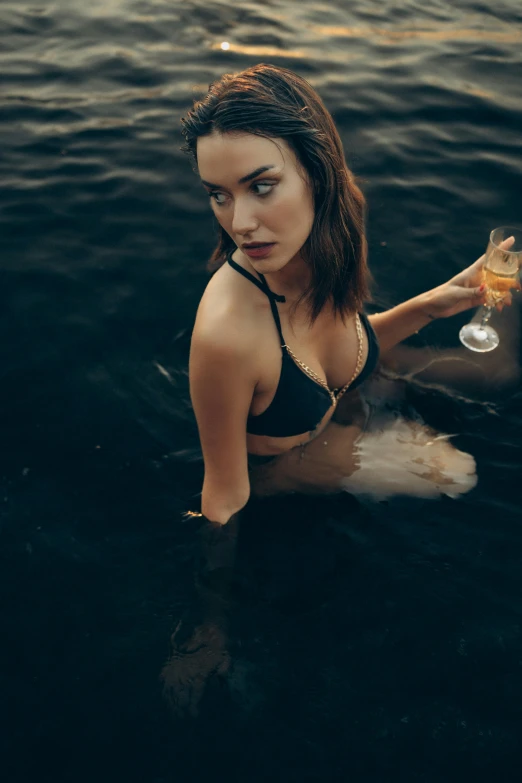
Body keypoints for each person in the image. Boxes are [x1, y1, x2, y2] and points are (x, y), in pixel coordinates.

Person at [181, 62, 516, 527]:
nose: (239, 223)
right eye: (218, 195)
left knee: (499, 368)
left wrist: (434, 303)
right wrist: (216, 597)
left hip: (346, 397)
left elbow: (337, 343)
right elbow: (223, 497)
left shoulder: (331, 237)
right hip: (288, 466)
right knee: (458, 474)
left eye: (261, 187)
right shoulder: (227, 336)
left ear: (318, 174)